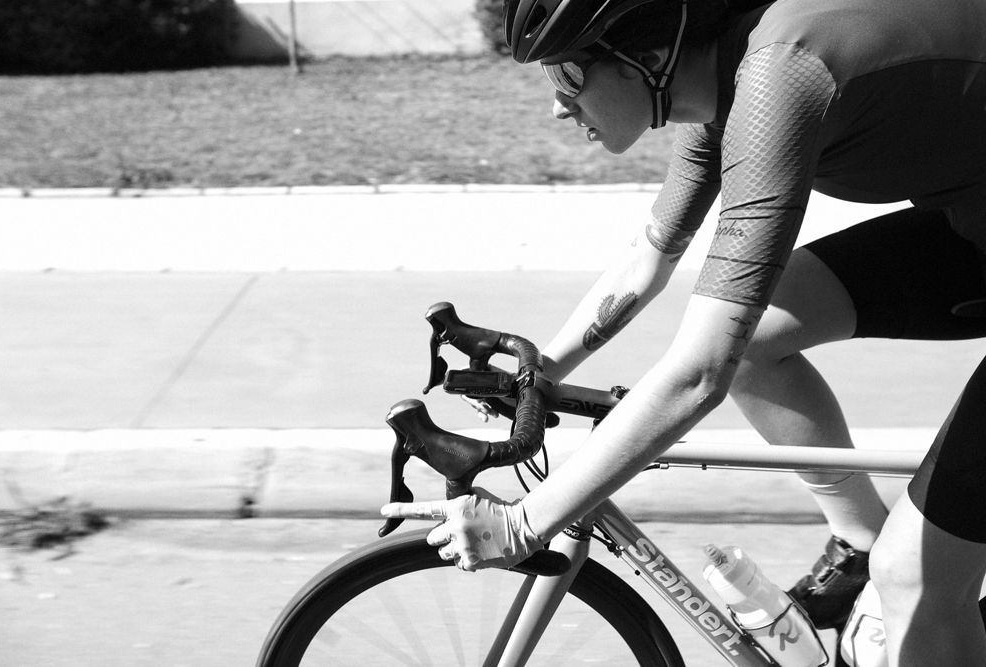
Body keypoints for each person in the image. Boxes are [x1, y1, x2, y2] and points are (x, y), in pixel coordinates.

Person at [382, 0, 986, 664]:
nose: (557, 105)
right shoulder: (723, 88)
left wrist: (526, 522)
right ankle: (861, 544)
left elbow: (700, 374)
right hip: (970, 227)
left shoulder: (781, 79)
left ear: (645, 57)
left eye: (567, 74)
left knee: (918, 580)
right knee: (758, 332)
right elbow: (648, 261)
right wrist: (537, 373)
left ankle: (900, 583)